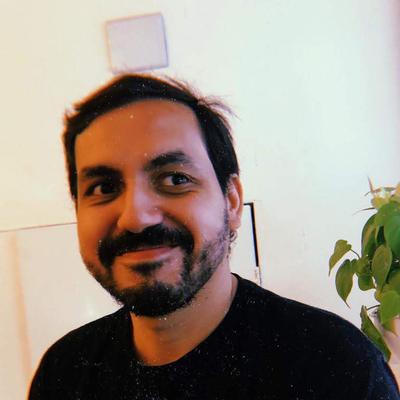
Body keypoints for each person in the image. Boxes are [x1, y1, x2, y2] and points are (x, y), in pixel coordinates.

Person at [29, 74, 399, 399]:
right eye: (104, 187)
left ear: (232, 201)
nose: (136, 218)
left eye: (175, 179)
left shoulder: (337, 367)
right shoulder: (64, 372)